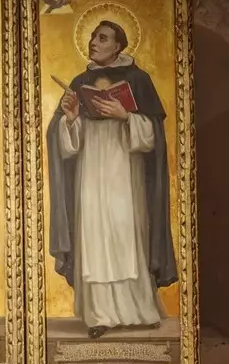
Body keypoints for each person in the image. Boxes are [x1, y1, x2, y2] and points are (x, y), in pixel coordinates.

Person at [46, 17, 178, 336]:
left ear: (118, 46)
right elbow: (64, 143)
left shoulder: (139, 79)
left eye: (102, 38)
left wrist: (126, 116)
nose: (94, 42)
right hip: (89, 173)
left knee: (125, 237)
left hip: (124, 172)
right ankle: (99, 315)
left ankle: (138, 309)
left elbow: (152, 136)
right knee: (93, 238)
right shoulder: (80, 81)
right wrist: (71, 118)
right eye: (93, 37)